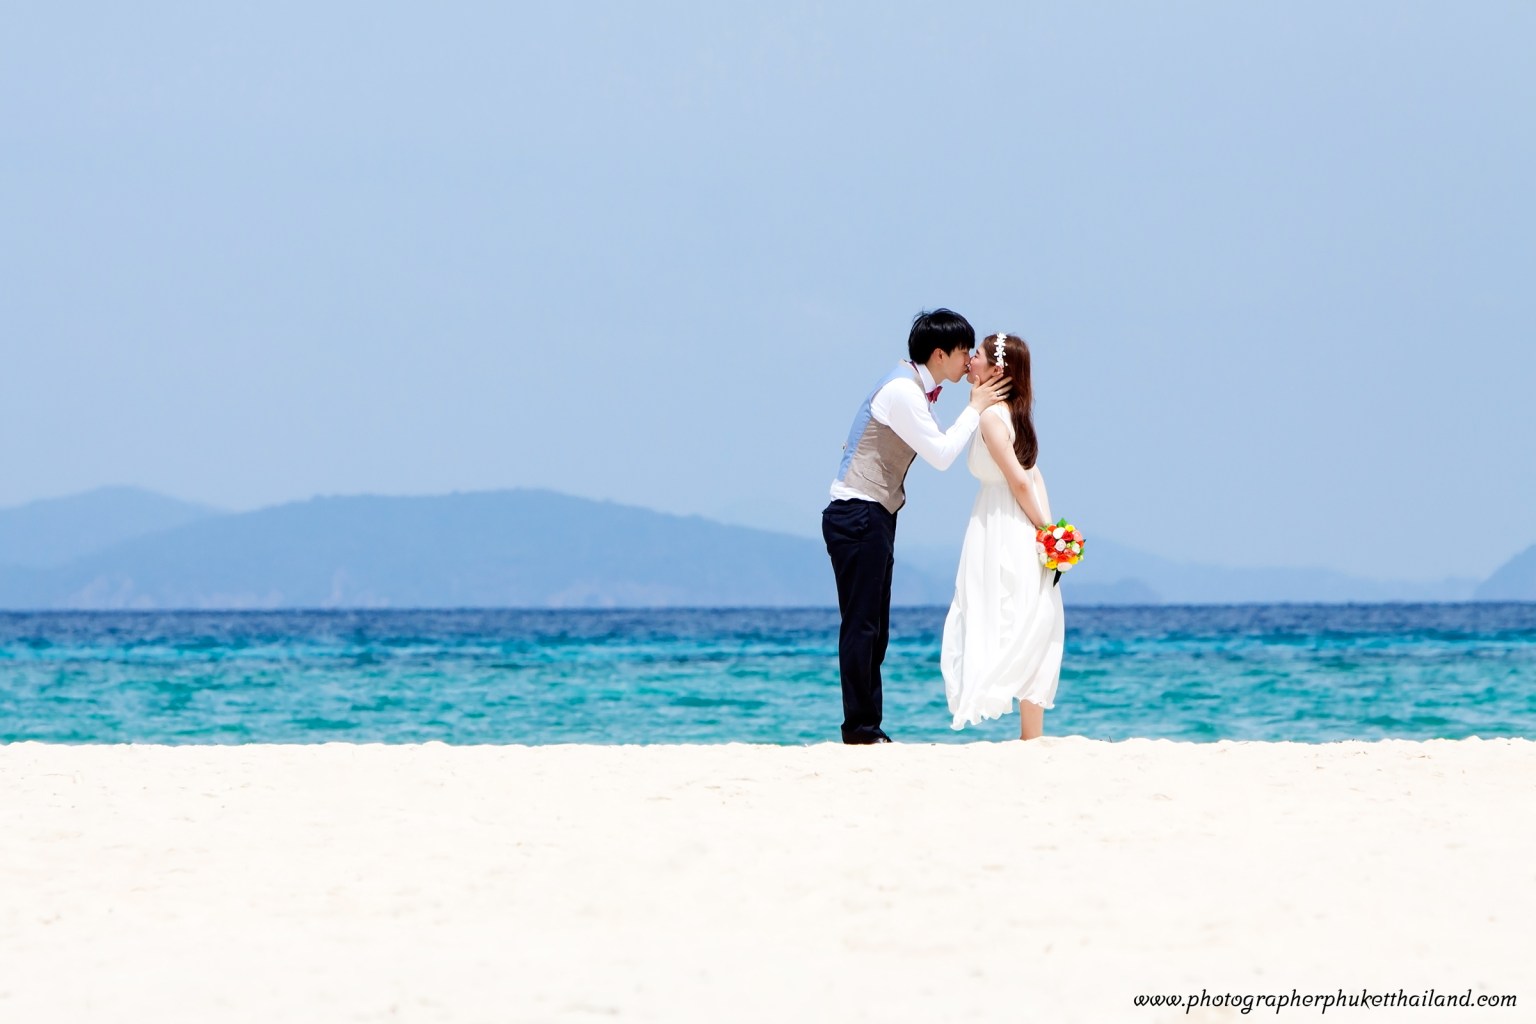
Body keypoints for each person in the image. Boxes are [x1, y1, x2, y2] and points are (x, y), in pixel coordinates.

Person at [822, 309, 1010, 744]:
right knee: (862, 626)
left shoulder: (913, 388)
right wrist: (975, 407)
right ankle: (861, 730)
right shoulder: (903, 392)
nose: (969, 360)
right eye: (965, 351)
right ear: (940, 354)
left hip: (872, 513)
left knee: (874, 628)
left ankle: (866, 727)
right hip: (858, 512)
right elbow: (942, 455)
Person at [941, 332, 1064, 740]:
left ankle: (1030, 733)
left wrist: (1049, 534)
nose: (969, 361)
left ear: (997, 369)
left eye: (975, 355)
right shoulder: (1009, 414)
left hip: (1005, 526)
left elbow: (1020, 483)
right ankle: (1032, 733)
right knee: (1028, 617)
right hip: (1010, 521)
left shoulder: (994, 419)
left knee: (1010, 615)